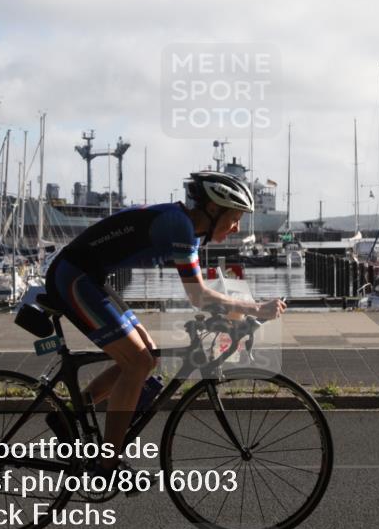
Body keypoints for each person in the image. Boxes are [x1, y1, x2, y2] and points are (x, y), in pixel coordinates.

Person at [45, 171, 286, 480]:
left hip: (88, 277)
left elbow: (201, 294)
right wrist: (255, 307)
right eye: (235, 217)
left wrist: (234, 312)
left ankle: (70, 419)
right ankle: (107, 464)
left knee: (147, 354)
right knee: (138, 361)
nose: (237, 226)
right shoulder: (180, 227)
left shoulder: (188, 230)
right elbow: (199, 296)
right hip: (73, 279)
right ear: (214, 211)